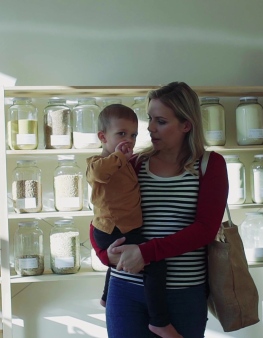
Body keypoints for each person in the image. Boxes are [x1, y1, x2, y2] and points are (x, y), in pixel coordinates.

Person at [90, 82, 228, 338]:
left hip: (183, 292)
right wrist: (103, 254)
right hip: (126, 289)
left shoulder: (211, 164)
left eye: (161, 121)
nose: (151, 128)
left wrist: (145, 252)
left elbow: (205, 230)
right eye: (150, 119)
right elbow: (103, 212)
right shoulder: (134, 162)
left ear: (186, 125)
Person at [87, 104, 181, 338]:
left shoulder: (125, 162)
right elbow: (98, 175)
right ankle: (159, 321)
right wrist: (119, 156)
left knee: (118, 260)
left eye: (133, 135)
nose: (128, 140)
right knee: (155, 265)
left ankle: (106, 297)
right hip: (113, 228)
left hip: (122, 227)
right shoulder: (98, 163)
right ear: (102, 137)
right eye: (121, 134)